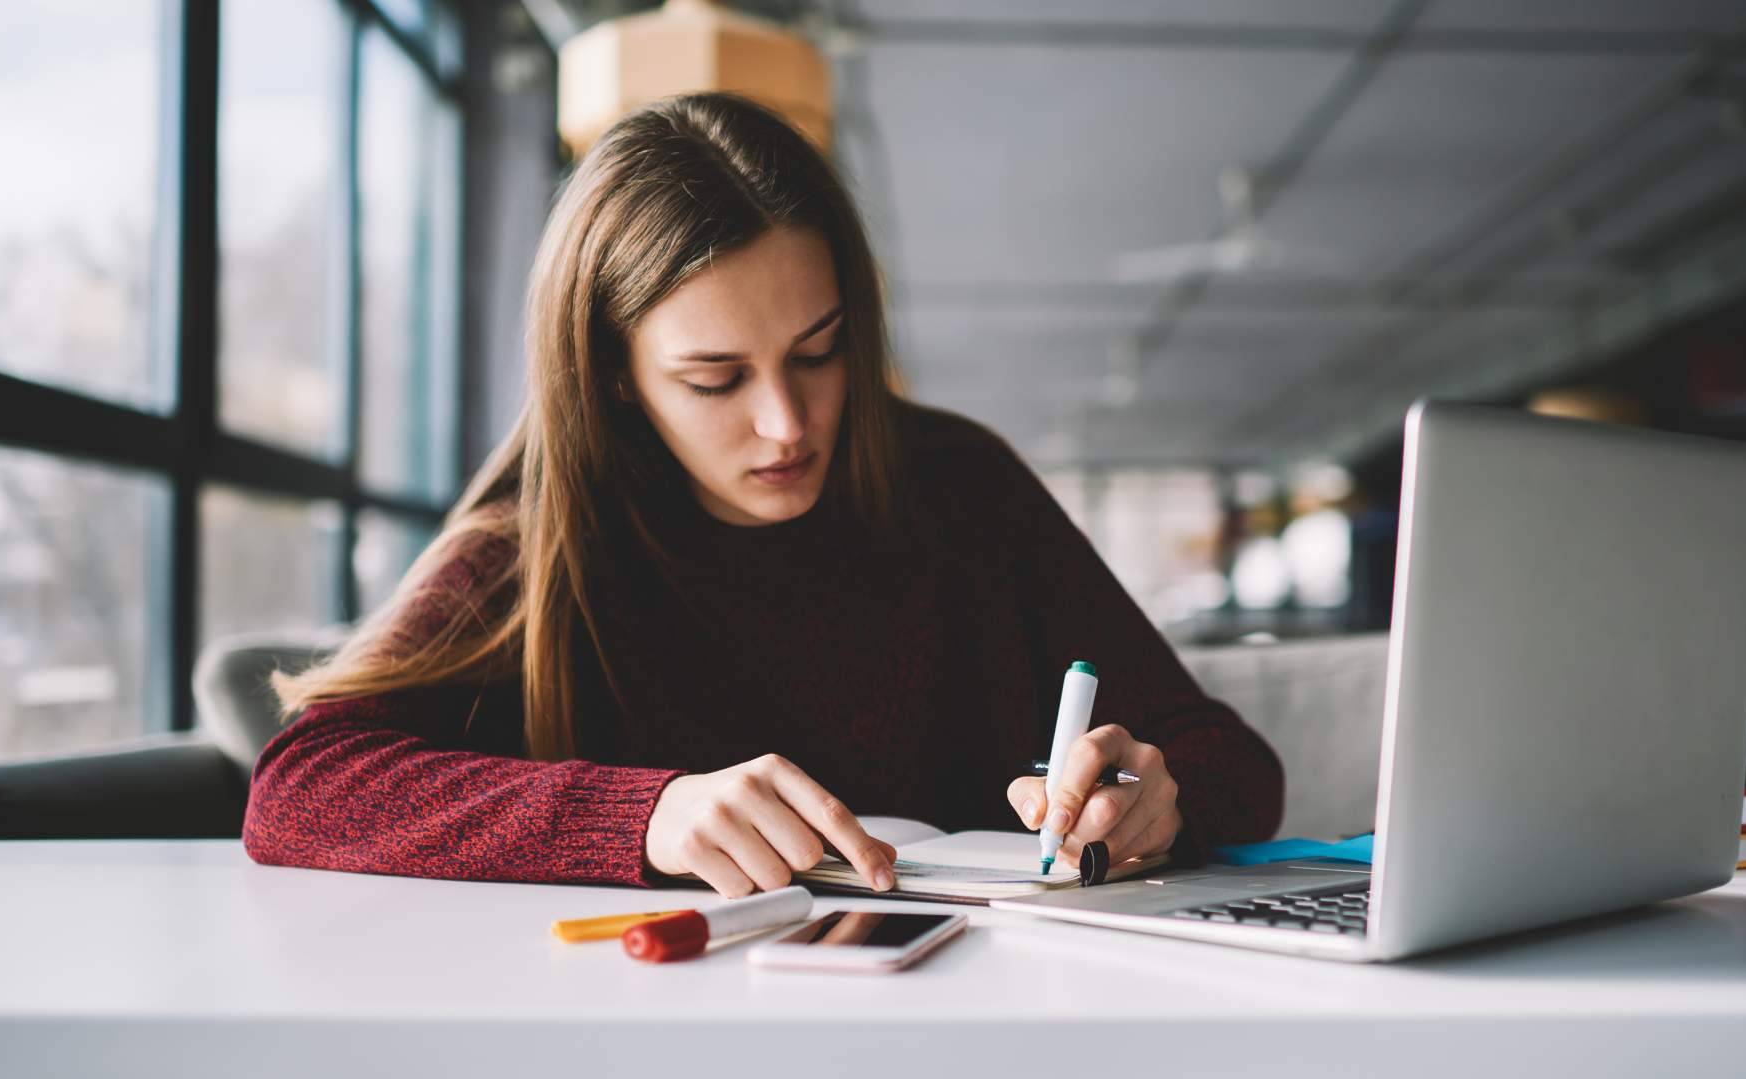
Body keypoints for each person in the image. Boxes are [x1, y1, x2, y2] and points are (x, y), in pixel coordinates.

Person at [244, 93, 1284, 899]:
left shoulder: (962, 485)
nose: (788, 423)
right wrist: (645, 815)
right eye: (716, 379)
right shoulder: (535, 543)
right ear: (613, 372)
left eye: (820, 352)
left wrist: (1150, 797)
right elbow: (298, 786)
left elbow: (1232, 759)